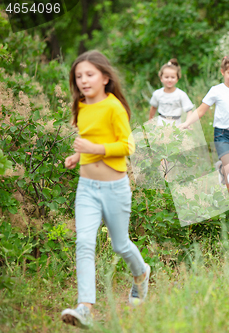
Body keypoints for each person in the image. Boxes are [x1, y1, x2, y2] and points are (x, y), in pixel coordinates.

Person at [62, 50, 150, 328]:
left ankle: (142, 274)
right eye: (78, 77)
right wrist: (78, 156)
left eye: (89, 75)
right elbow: (88, 139)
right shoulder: (81, 106)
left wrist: (94, 149)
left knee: (120, 244)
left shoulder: (114, 107)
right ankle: (85, 306)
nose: (83, 81)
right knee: (84, 242)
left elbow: (127, 146)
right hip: (86, 187)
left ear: (105, 77)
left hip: (114, 187)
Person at [179, 55, 229, 196]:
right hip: (222, 135)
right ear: (222, 72)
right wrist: (186, 123)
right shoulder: (217, 90)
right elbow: (201, 110)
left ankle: (221, 169)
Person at [148, 59, 194, 127]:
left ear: (177, 79)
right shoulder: (157, 94)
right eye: (166, 77)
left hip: (176, 126)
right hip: (160, 126)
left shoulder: (181, 95)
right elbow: (153, 107)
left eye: (172, 77)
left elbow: (189, 110)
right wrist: (150, 122)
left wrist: (187, 123)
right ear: (161, 78)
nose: (169, 80)